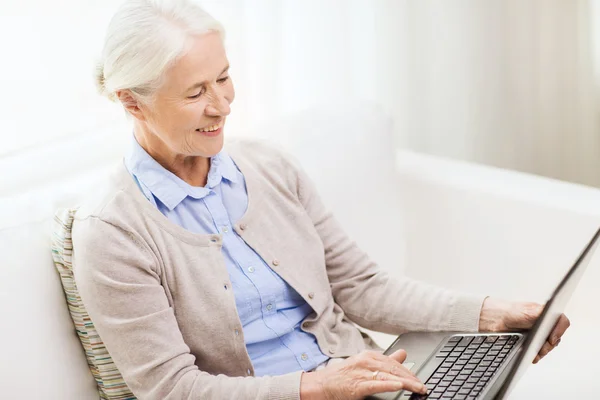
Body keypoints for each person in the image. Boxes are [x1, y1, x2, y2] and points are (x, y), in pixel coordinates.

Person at [71, 0, 570, 399]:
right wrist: (317, 388)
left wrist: (486, 314)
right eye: (195, 92)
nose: (223, 104)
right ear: (131, 101)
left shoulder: (268, 166)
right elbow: (170, 389)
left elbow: (360, 285)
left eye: (223, 77)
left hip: (370, 382)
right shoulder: (114, 232)